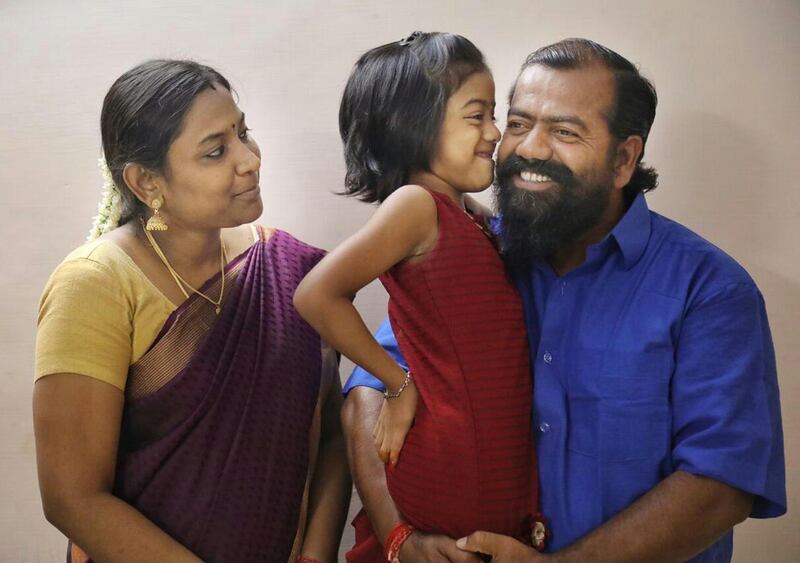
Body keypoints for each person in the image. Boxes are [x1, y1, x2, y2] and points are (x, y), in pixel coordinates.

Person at [343, 38, 786, 562]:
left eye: (564, 131)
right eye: (517, 123)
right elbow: (365, 394)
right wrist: (400, 537)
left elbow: (721, 484)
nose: (529, 148)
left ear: (624, 159)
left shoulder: (709, 290)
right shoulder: (474, 251)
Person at [33, 59, 350, 563]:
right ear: (145, 182)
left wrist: (315, 555)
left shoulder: (289, 268)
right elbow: (74, 499)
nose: (249, 160)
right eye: (216, 151)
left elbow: (332, 431)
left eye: (243, 133)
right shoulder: (96, 284)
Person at [294, 32, 543, 563]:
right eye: (476, 116)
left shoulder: (467, 216)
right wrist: (396, 382)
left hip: (494, 482)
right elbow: (317, 294)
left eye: (493, 114)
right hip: (445, 468)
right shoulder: (414, 206)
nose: (495, 132)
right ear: (416, 125)